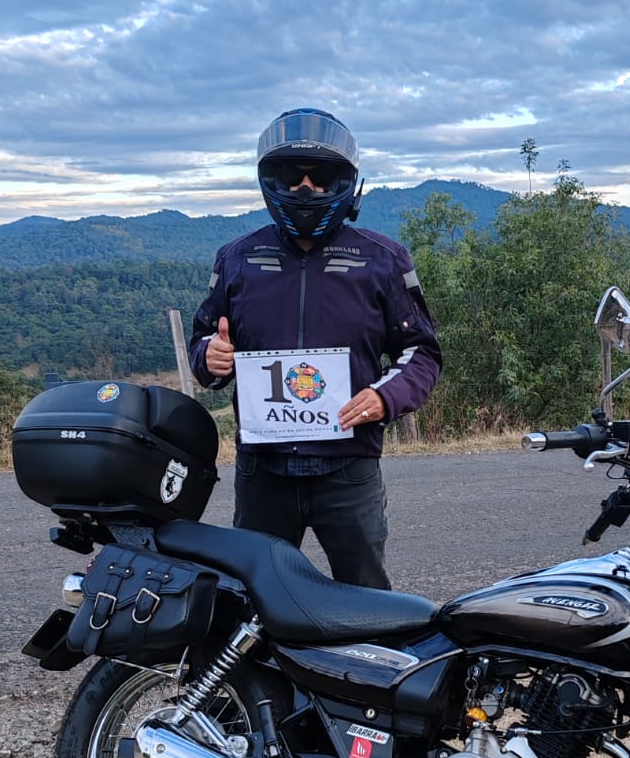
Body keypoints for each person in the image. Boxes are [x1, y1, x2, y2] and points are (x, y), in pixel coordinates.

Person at [189, 107, 441, 589]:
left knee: (367, 600)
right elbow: (204, 338)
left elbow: (421, 351)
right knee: (253, 598)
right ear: (271, 179)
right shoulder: (237, 259)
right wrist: (211, 357)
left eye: (321, 176)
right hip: (263, 472)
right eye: (291, 174)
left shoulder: (383, 259)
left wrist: (386, 397)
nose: (306, 188)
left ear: (344, 181)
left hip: (348, 470)